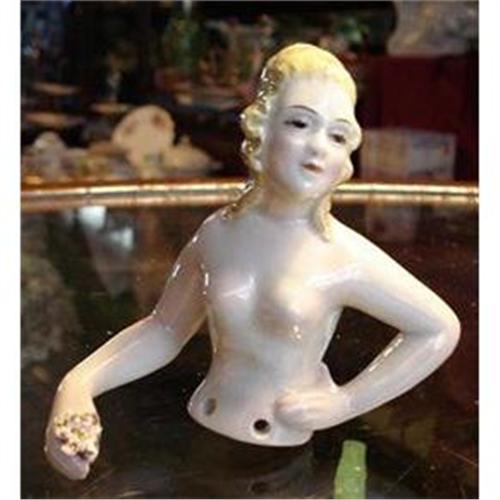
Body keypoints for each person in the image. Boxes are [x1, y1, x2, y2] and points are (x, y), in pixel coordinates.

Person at [44, 43, 460, 480]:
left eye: (337, 136)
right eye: (300, 123)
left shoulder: (343, 255)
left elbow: (438, 328)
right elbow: (164, 329)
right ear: (263, 127)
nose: (318, 148)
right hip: (201, 432)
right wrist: (79, 384)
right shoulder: (219, 233)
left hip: (281, 458)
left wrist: (346, 402)